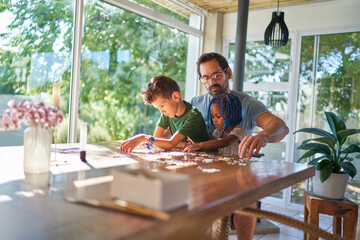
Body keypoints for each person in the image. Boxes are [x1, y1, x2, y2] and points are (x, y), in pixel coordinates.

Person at [191, 52, 289, 239]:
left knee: (248, 197)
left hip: (236, 177)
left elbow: (281, 127)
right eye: (205, 77)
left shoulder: (247, 104)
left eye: (216, 75)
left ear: (228, 72)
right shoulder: (196, 104)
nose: (212, 82)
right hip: (202, 176)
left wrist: (264, 135)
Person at [120, 75, 208, 153]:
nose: (161, 111)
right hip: (186, 155)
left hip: (206, 157)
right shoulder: (167, 113)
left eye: (162, 105)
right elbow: (156, 137)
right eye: (158, 108)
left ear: (175, 97)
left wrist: (143, 138)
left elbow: (170, 144)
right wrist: (181, 144)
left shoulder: (193, 115)